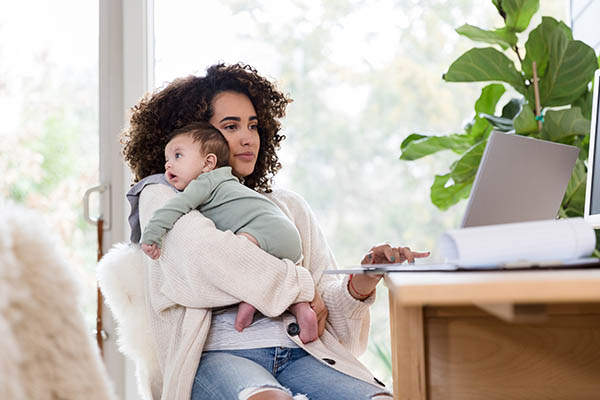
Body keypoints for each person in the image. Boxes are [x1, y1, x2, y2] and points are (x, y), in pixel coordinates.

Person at [121, 62, 429, 400]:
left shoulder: (287, 206)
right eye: (230, 125)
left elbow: (331, 325)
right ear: (198, 137)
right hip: (218, 357)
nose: (247, 137)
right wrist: (298, 285)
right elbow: (207, 259)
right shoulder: (163, 195)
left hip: (301, 353)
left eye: (253, 125)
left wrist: (362, 283)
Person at [139, 121, 318, 343]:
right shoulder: (227, 181)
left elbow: (175, 208)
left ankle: (250, 303)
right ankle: (302, 310)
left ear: (208, 163)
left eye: (177, 156)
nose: (168, 165)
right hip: (287, 236)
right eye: (167, 160)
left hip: (263, 229)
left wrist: (151, 235)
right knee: (259, 268)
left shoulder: (204, 183)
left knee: (239, 256)